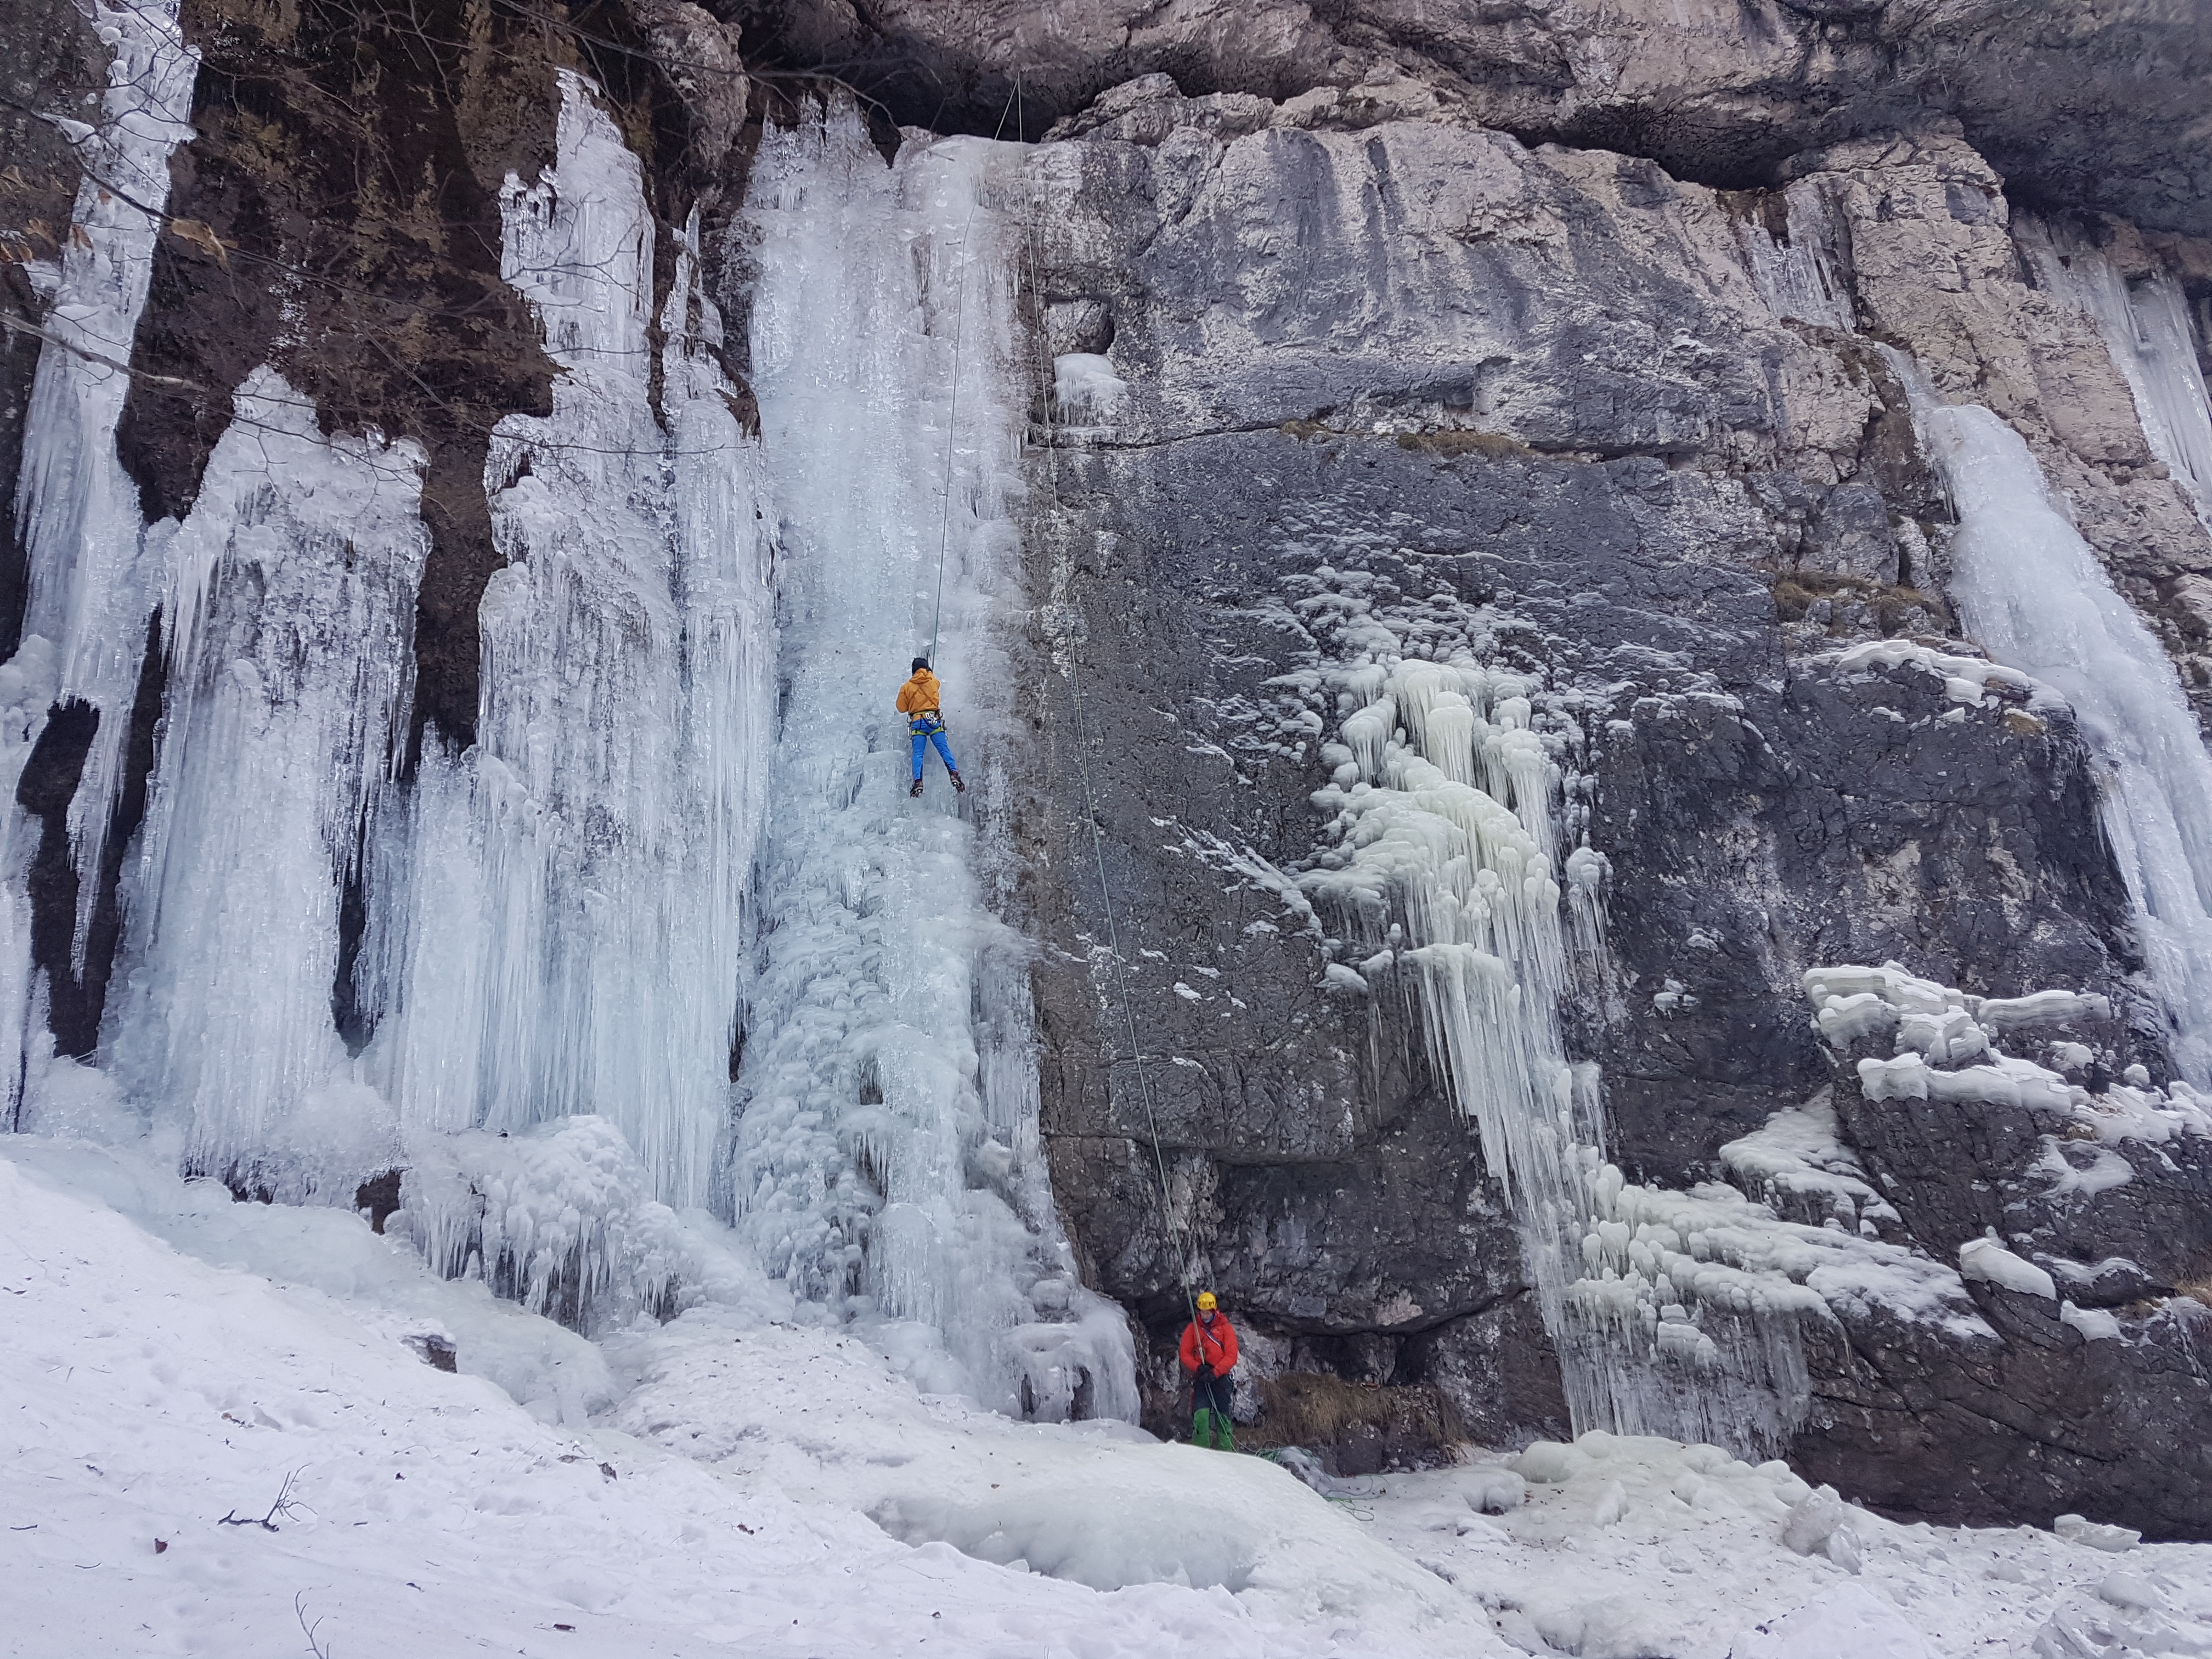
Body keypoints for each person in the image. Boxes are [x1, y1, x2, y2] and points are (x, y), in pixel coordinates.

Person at [895, 656, 965, 799]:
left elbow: (901, 708)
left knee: (918, 753)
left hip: (918, 722)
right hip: (934, 720)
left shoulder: (907, 687)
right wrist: (930, 673)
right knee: (944, 749)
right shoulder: (933, 682)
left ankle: (918, 782)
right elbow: (936, 683)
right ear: (926, 669)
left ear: (913, 670)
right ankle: (954, 774)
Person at [1178, 1290, 1239, 1451]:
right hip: (1202, 1377)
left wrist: (1216, 1372)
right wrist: (1198, 1367)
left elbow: (1231, 1356)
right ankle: (1200, 1452)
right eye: (1202, 1312)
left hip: (1220, 1378)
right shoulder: (1193, 1329)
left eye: (1207, 1312)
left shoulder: (1226, 1329)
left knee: (1223, 1417)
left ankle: (1226, 1452)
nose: (1204, 1315)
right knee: (1201, 1416)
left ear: (1214, 1311)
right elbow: (1185, 1353)